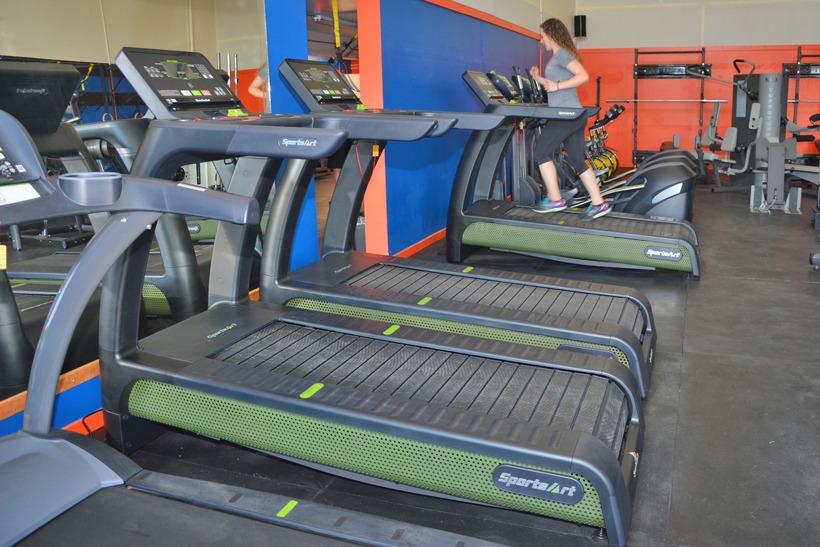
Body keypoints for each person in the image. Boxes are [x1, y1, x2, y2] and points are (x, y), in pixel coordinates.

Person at [529, 18, 610, 221]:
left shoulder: (563, 54)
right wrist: (539, 79)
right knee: (576, 160)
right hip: (574, 116)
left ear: (552, 34)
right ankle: (599, 203)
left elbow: (583, 76)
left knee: (541, 152)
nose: (542, 41)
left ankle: (555, 199)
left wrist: (556, 86)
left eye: (543, 36)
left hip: (566, 116)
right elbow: (555, 85)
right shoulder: (558, 56)